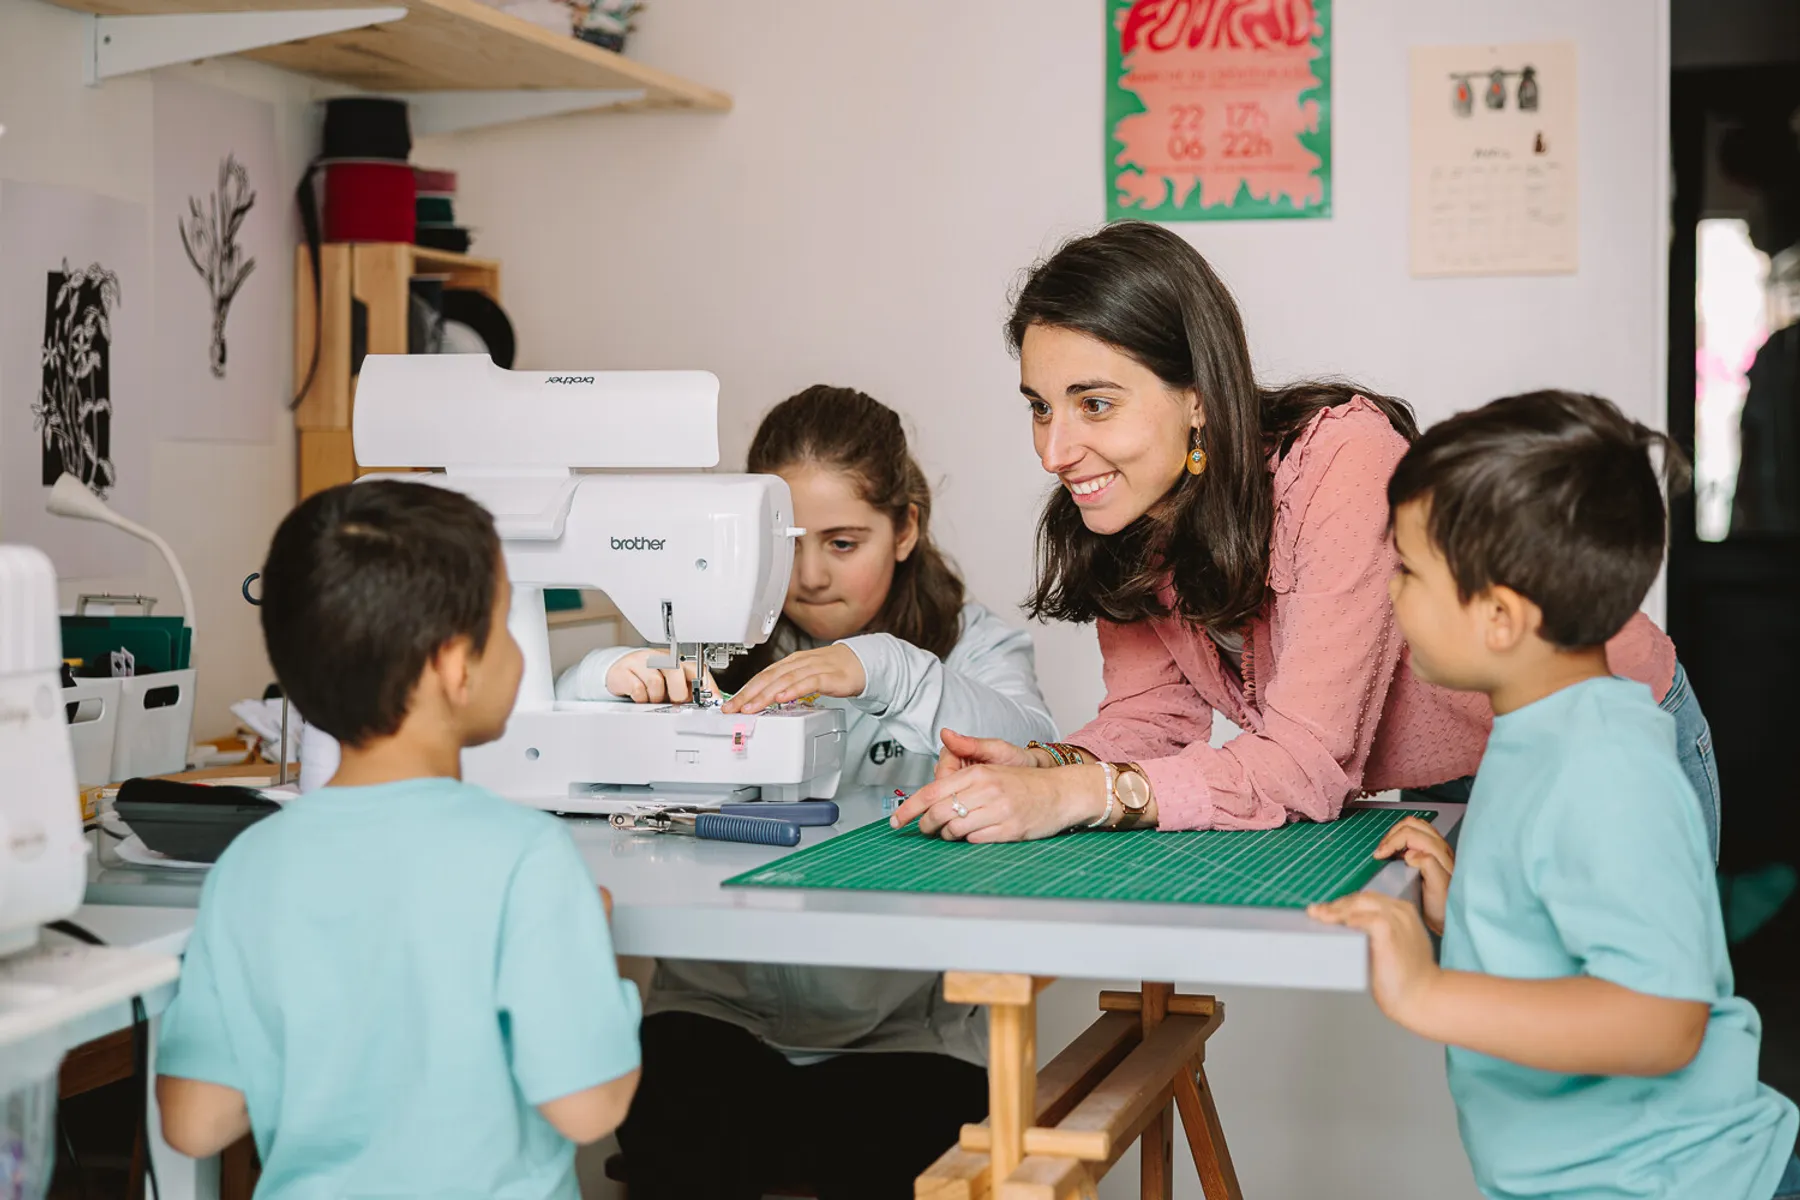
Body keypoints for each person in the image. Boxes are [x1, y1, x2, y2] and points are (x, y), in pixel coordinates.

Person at [893, 223, 1720, 854]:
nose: (1054, 450)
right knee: (1509, 1056)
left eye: (1094, 404)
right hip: (1445, 775)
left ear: (1198, 397)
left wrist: (1089, 796)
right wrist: (1047, 769)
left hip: (1599, 736)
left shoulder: (1342, 462)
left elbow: (1305, 763)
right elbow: (1153, 718)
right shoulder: (1128, 510)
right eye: (1040, 406)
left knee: (1616, 1044)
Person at [558, 384, 1057, 1200]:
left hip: (906, 1040)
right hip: (716, 1017)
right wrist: (595, 681)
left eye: (844, 541)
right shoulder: (710, 637)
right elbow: (580, 762)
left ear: (907, 528)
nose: (813, 575)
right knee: (675, 1151)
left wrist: (890, 668)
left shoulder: (977, 649)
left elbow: (1037, 748)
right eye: (786, 543)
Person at [1309, 390, 1799, 1200]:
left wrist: (1430, 990)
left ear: (1500, 617)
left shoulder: (1605, 770)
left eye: (1408, 569)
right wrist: (1468, 909)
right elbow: (1578, 925)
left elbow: (1661, 1020)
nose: (1388, 592)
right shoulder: (1543, 730)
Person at [155, 481, 642, 1199]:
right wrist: (585, 951)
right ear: (454, 666)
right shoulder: (525, 859)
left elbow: (196, 1124)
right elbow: (589, 1106)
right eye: (506, 623)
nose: (515, 650)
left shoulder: (250, 865)